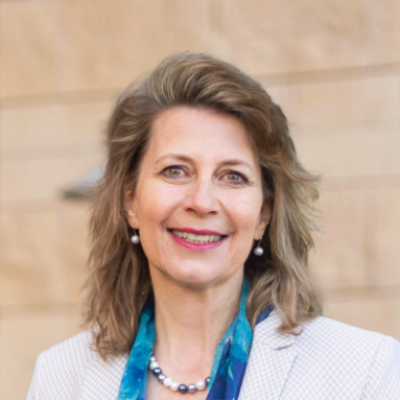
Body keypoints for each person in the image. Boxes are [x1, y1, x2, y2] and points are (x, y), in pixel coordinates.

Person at [27, 52, 400, 400]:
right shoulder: (59, 376)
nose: (202, 202)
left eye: (233, 177)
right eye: (175, 171)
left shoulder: (364, 370)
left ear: (263, 215)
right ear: (130, 203)